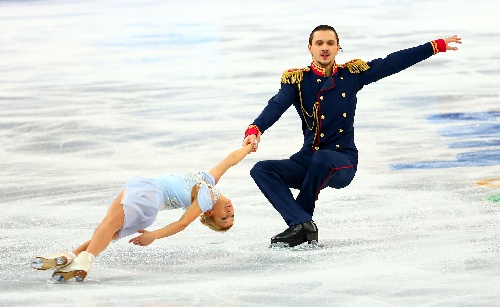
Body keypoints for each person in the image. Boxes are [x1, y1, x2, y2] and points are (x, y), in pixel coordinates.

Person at [242, 25, 462, 248]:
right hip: (308, 160)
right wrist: (255, 129)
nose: (325, 48)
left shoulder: (351, 76)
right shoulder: (298, 81)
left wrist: (434, 47)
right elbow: (276, 105)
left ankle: (301, 223)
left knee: (323, 159)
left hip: (341, 161)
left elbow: (392, 62)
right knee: (261, 169)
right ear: (310, 48)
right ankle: (301, 222)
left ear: (338, 48)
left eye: (330, 43)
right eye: (319, 44)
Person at [31, 143, 254, 282]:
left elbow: (182, 223)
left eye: (224, 219)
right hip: (149, 200)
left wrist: (153, 235)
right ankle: (71, 256)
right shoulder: (208, 182)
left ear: (209, 215)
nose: (229, 213)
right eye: (231, 216)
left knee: (107, 226)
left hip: (148, 193)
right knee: (108, 230)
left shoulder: (208, 198)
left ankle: (83, 261)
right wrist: (249, 146)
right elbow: (229, 161)